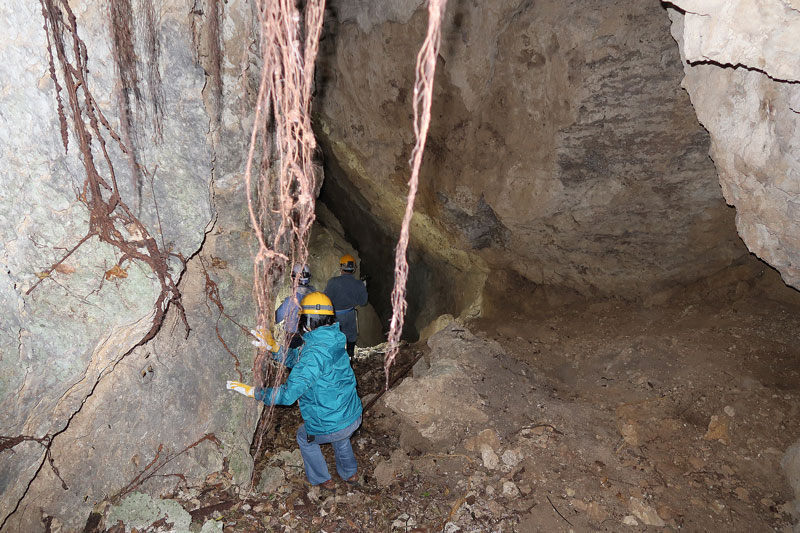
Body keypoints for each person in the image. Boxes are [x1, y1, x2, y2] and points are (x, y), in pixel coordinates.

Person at [227, 292, 362, 489]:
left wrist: (255, 392)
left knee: (304, 437)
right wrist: (274, 348)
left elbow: (288, 395)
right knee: (341, 438)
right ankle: (350, 474)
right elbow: (301, 360)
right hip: (351, 415)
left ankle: (322, 479)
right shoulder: (333, 339)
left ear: (305, 321)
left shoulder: (314, 352)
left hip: (333, 422)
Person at [324, 254, 368, 359]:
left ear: (341, 267)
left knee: (335, 338)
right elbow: (363, 302)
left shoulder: (333, 282)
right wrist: (363, 288)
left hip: (335, 316)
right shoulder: (359, 284)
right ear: (353, 269)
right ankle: (350, 358)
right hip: (350, 315)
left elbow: (325, 300)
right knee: (351, 337)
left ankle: (335, 361)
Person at [273, 264, 316, 348]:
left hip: (294, 338)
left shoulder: (291, 301)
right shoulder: (316, 296)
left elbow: (277, 317)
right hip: (311, 337)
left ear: (294, 279)